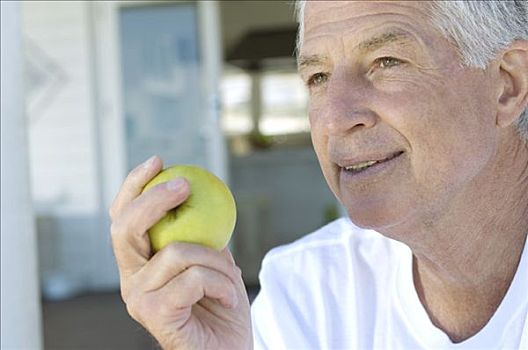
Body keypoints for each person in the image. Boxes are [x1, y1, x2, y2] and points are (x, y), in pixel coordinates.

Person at [109, 1, 528, 349]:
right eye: (318, 77)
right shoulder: (307, 290)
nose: (334, 118)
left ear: (508, 83)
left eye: (386, 61)